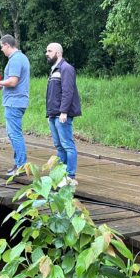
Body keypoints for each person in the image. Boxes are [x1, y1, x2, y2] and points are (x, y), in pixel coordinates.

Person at [0, 34, 30, 176]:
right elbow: (13, 82)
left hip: (14, 102)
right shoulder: (21, 57)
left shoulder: (16, 59)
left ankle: (22, 166)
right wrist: (2, 86)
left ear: (7, 45)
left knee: (14, 134)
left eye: (1, 47)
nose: (1, 50)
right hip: (16, 101)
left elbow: (13, 82)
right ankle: (18, 164)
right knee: (12, 134)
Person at [45, 43, 81, 186]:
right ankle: (61, 175)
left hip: (62, 114)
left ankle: (70, 176)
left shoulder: (66, 68)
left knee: (67, 145)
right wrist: (49, 115)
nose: (46, 53)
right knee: (59, 146)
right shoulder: (54, 69)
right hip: (53, 114)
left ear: (58, 53)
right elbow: (52, 95)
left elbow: (68, 92)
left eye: (49, 51)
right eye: (46, 51)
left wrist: (64, 112)